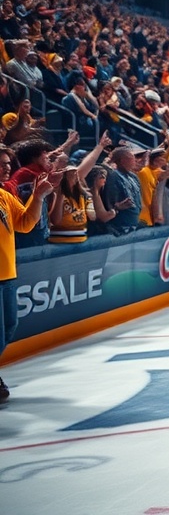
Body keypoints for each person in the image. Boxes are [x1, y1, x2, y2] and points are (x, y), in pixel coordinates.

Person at [0, 168, 58, 403]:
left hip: (7, 274)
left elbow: (25, 224)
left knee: (9, 326)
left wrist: (39, 196)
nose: (6, 167)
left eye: (7, 163)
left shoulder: (4, 195)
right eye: (1, 163)